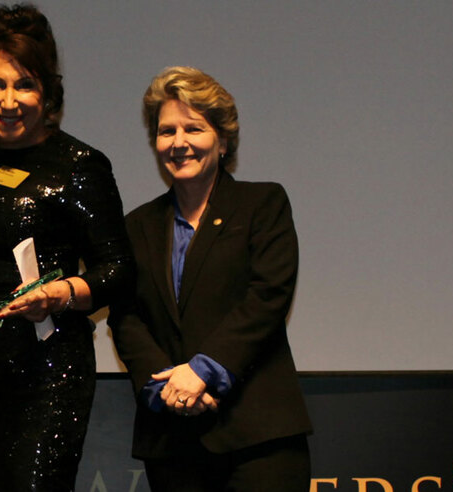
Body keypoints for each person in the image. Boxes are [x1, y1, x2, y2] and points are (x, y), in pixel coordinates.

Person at [0, 4, 135, 491]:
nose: (9, 100)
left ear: (48, 89)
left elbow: (120, 270)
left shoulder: (79, 165)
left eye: (24, 84)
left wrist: (61, 292)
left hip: (44, 381)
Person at [108, 66, 313, 491]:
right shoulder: (136, 226)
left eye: (193, 128)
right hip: (172, 442)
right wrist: (166, 385)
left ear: (222, 139)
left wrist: (202, 372)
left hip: (259, 435)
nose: (178, 143)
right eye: (166, 131)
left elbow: (267, 297)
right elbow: (126, 317)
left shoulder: (263, 204)